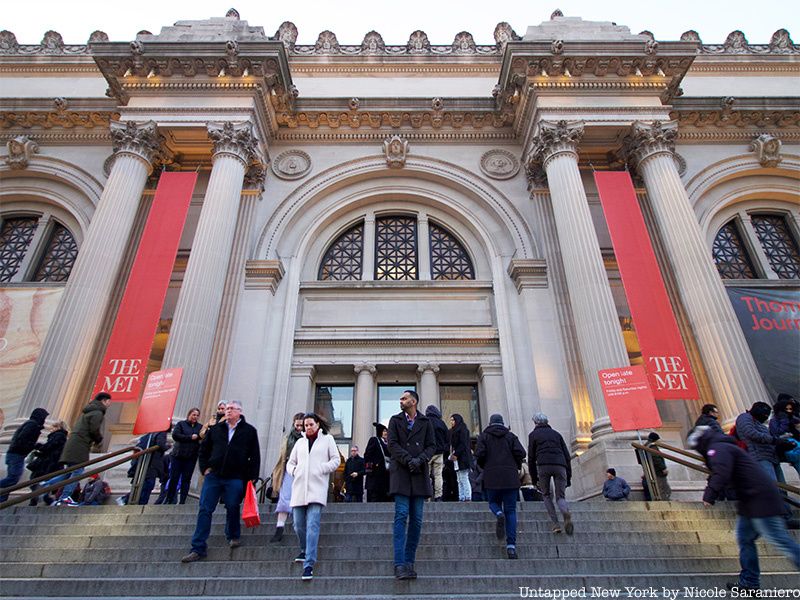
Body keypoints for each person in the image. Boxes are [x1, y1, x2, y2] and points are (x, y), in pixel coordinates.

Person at [688, 426, 800, 591]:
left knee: (780, 540)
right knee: (745, 539)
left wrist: (709, 494)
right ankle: (749, 582)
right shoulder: (722, 445)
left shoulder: (718, 448)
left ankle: (750, 581)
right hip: (751, 500)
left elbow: (722, 472)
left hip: (759, 499)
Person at [181, 401, 260, 563]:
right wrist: (205, 469)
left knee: (232, 506)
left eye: (232, 409)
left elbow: (255, 455)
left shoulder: (249, 431)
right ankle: (198, 547)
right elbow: (204, 450)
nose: (228, 411)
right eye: (227, 409)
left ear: (240, 411)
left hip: (236, 476)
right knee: (205, 508)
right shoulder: (216, 430)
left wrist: (252, 477)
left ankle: (233, 534)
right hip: (214, 475)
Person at [286, 413, 341, 581]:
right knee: (298, 525)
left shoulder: (327, 440)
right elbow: (290, 462)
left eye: (311, 424)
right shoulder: (300, 442)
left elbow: (336, 460)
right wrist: (295, 471)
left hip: (317, 489)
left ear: (318, 424)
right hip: (299, 488)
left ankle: (309, 564)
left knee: (312, 525)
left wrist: (321, 468)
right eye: (305, 425)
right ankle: (304, 549)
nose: (308, 427)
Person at [388, 390, 436, 580]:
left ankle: (409, 561)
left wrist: (420, 459)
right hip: (401, 472)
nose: (401, 401)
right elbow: (392, 444)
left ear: (413, 401)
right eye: (400, 398)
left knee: (416, 520)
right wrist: (408, 459)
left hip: (419, 474)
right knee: (401, 515)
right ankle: (399, 564)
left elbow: (432, 445)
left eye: (404, 398)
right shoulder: (394, 420)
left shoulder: (425, 422)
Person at [44, 393, 111, 506]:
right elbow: (94, 428)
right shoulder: (97, 412)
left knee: (70, 472)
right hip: (80, 445)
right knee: (78, 472)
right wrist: (98, 440)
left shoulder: (88, 411)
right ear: (104, 401)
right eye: (109, 401)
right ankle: (64, 497)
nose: (110, 404)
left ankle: (45, 485)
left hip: (74, 444)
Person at [474, 414, 526, 559]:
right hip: (510, 476)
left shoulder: (484, 436)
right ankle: (511, 547)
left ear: (490, 423)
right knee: (511, 510)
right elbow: (521, 453)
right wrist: (515, 464)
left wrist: (485, 465)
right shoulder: (511, 436)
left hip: (492, 476)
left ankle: (498, 513)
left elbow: (479, 454)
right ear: (502, 423)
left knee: (493, 502)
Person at [528, 413, 574, 534]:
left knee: (547, 495)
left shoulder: (533, 435)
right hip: (560, 465)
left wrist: (534, 479)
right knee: (560, 497)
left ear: (535, 422)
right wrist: (568, 476)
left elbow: (531, 458)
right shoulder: (556, 434)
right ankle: (565, 512)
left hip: (543, 466)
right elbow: (567, 456)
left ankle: (556, 524)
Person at [269, 412, 305, 542]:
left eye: (301, 425)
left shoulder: (307, 438)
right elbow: (282, 455)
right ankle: (279, 527)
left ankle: (299, 526)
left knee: (301, 499)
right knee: (285, 498)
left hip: (303, 472)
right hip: (289, 470)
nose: (299, 428)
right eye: (297, 425)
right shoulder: (288, 437)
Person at [0, 408, 48, 503]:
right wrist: (34, 445)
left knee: (13, 479)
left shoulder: (31, 424)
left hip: (15, 454)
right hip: (16, 454)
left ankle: (2, 500)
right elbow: (22, 440)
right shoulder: (32, 425)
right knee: (13, 478)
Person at [735, 402, 785, 484]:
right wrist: (773, 440)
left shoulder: (760, 424)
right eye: (765, 414)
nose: (766, 417)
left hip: (771, 457)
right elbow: (751, 433)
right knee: (773, 486)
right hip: (760, 456)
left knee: (782, 486)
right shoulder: (745, 417)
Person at [26, 421, 68, 506]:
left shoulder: (58, 436)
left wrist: (38, 446)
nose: (51, 430)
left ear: (58, 428)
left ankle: (43, 499)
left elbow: (49, 447)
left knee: (38, 481)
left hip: (48, 464)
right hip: (49, 463)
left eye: (53, 428)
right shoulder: (59, 436)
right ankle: (40, 499)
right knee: (40, 481)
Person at [167, 407, 202, 504]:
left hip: (191, 457)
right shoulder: (181, 424)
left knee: (186, 480)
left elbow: (202, 436)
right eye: (193, 415)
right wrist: (190, 437)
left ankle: (183, 500)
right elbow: (176, 435)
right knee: (174, 478)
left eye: (197, 415)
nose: (195, 417)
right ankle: (170, 498)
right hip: (177, 456)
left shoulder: (199, 427)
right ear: (189, 415)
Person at [769, 394, 800, 478]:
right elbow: (776, 433)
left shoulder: (793, 418)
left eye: (790, 409)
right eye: (786, 409)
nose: (789, 411)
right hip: (789, 448)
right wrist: (784, 420)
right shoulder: (774, 421)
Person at [137, 425, 170, 505]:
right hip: (152, 464)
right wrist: (167, 447)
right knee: (148, 484)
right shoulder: (161, 433)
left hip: (145, 463)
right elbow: (161, 444)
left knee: (144, 484)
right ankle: (138, 503)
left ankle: (133, 500)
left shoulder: (150, 434)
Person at [424, 405, 448, 502]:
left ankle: (427, 496)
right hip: (439, 453)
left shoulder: (425, 422)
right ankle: (439, 496)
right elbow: (447, 438)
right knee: (438, 475)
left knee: (426, 475)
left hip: (428, 452)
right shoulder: (441, 423)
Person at [448, 413, 472, 502]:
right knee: (459, 478)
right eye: (451, 420)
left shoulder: (462, 430)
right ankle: (462, 496)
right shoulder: (455, 431)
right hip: (458, 458)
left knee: (463, 477)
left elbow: (463, 444)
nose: (451, 422)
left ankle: (467, 496)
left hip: (462, 458)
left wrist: (455, 454)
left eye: (453, 420)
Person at [364, 422, 391, 502]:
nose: (386, 433)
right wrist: (371, 469)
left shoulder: (388, 443)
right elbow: (367, 455)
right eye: (384, 431)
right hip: (376, 474)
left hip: (386, 474)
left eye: (387, 431)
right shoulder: (374, 440)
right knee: (375, 497)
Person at [641, 432, 671, 501]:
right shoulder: (652, 447)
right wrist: (663, 468)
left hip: (651, 472)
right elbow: (656, 459)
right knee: (664, 490)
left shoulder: (646, 446)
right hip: (657, 472)